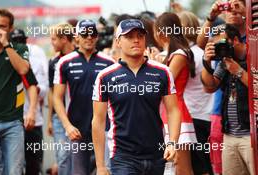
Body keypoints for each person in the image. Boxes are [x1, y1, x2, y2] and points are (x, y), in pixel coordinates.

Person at [92, 19, 181, 175]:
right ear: (118, 41)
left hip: (157, 155)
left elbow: (173, 110)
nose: (136, 40)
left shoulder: (162, 72)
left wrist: (172, 143)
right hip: (123, 157)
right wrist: (100, 165)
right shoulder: (105, 76)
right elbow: (98, 121)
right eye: (129, 36)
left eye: (140, 35)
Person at [53, 19, 114, 175]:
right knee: (79, 172)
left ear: (97, 37)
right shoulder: (64, 62)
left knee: (105, 171)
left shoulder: (109, 62)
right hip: (77, 129)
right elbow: (57, 98)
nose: (89, 37)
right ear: (76, 37)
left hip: (104, 128)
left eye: (93, 34)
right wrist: (67, 126)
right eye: (84, 34)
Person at [201, 23, 254, 175]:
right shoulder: (224, 61)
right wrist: (206, 62)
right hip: (229, 135)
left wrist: (238, 71)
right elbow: (209, 87)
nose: (219, 48)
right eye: (215, 45)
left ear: (235, 40)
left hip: (251, 136)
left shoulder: (254, 56)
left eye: (222, 43)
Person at [154, 12, 197, 175]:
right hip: (164, 113)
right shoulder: (169, 54)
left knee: (182, 169)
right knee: (169, 168)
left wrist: (154, 64)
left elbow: (163, 82)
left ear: (162, 32)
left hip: (177, 113)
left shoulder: (180, 54)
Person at [0, 9, 36, 175]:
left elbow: (23, 69)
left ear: (10, 29)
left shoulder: (19, 48)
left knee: (14, 171)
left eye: (2, 26)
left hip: (13, 122)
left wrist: (6, 45)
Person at [177, 11, 214, 175]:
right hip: (210, 115)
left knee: (199, 167)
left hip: (192, 116)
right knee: (209, 165)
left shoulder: (184, 54)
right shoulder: (206, 52)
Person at [10, 28, 48, 175]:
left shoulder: (36, 62)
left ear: (26, 41)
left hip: (34, 122)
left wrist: (34, 87)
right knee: (13, 166)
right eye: (15, 41)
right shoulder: (6, 62)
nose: (19, 44)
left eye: (22, 41)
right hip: (12, 120)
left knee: (34, 164)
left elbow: (44, 88)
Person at [47, 23, 74, 175]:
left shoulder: (79, 58)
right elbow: (52, 93)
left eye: (54, 39)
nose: (52, 43)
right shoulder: (53, 62)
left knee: (81, 154)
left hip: (78, 115)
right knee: (63, 156)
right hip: (59, 117)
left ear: (64, 39)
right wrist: (50, 119)